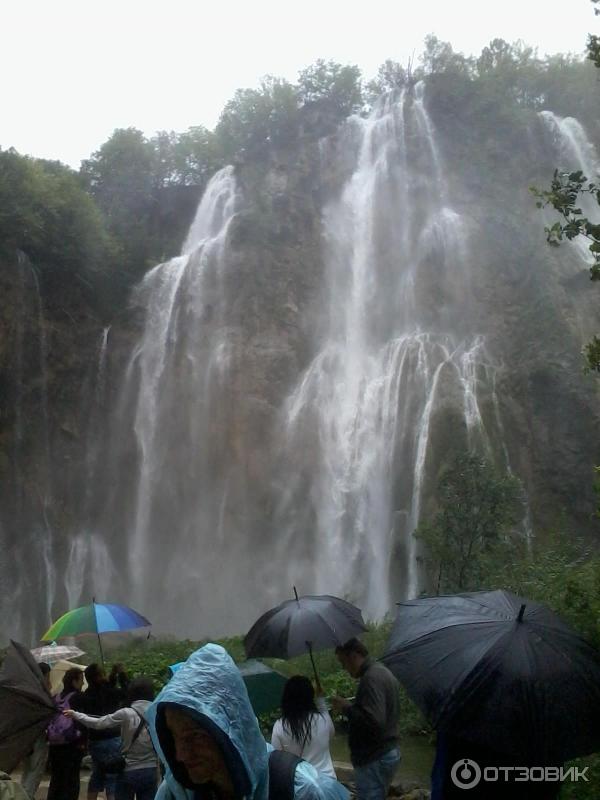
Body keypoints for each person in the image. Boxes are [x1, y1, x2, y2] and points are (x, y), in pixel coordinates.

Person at [146, 643, 350, 800]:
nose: (181, 754)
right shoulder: (176, 791)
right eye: (173, 737)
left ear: (229, 729)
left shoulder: (304, 791)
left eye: (195, 736)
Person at [65, 676, 159, 800]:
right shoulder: (158, 711)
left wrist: (76, 714)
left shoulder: (126, 713)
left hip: (128, 770)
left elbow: (98, 723)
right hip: (150, 770)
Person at [331, 638, 400, 800]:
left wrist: (346, 707)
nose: (343, 667)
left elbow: (374, 721)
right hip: (387, 751)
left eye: (343, 661)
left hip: (374, 758)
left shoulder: (371, 678)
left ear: (354, 656)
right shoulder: (381, 671)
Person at [72, 663, 124, 800]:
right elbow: (126, 692)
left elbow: (104, 690)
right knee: (113, 779)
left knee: (97, 775)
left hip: (95, 742)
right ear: (98, 677)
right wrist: (121, 675)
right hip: (112, 740)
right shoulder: (110, 693)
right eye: (103, 673)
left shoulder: (86, 695)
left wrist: (111, 677)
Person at [271, 676, 336, 778]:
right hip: (329, 786)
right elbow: (330, 735)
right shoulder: (323, 720)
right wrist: (320, 698)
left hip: (300, 788)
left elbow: (277, 761)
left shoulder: (280, 726)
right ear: (310, 696)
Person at [46, 667, 85, 800]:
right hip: (72, 744)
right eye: (81, 680)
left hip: (54, 743)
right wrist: (83, 742)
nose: (82, 683)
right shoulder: (78, 697)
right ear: (74, 681)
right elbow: (82, 722)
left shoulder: (55, 697)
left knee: (57, 778)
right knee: (72, 779)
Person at [19, 662, 51, 800]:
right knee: (34, 772)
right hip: (37, 736)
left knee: (27, 771)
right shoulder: (39, 691)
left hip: (25, 737)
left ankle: (22, 795)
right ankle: (26, 797)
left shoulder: (26, 688)